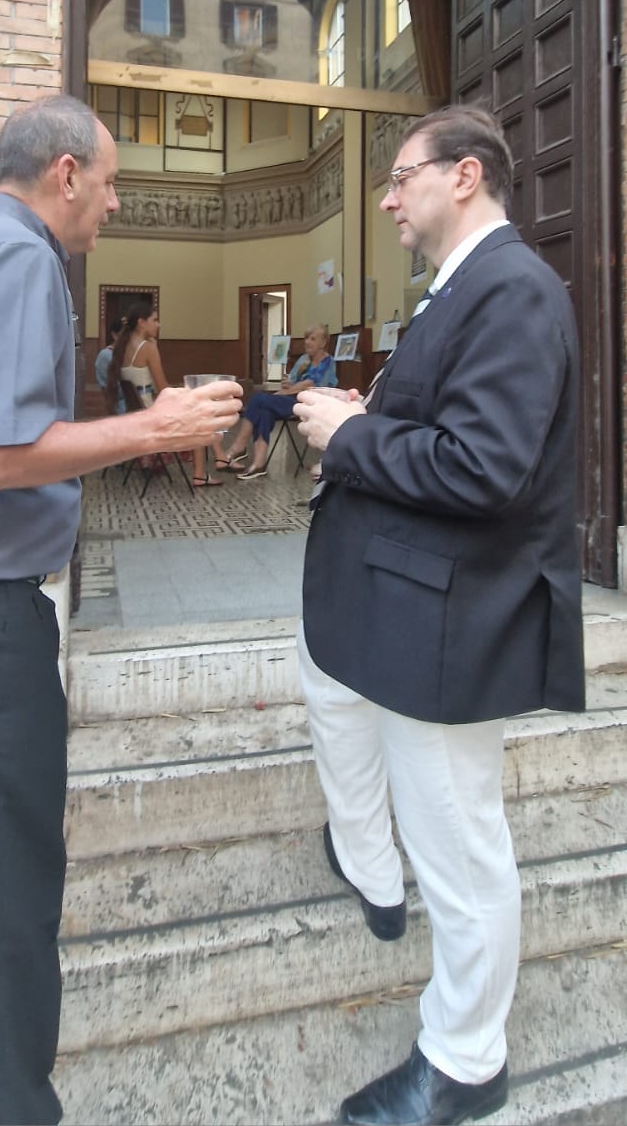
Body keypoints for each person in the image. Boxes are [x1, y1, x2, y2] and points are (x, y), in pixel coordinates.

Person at [0, 94, 242, 1126]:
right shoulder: (25, 260)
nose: (114, 203)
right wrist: (148, 428)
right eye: (110, 181)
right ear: (64, 174)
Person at [294, 105, 582, 1126]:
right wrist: (374, 419)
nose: (386, 198)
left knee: (460, 851)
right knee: (336, 705)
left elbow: (484, 467)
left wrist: (349, 434)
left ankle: (466, 1059)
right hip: (408, 608)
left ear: (463, 176)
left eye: (401, 178)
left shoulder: (510, 289)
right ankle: (368, 862)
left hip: (454, 621)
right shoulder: (466, 288)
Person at [105, 303, 228, 486]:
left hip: (137, 411)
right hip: (153, 414)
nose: (158, 324)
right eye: (154, 320)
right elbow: (163, 389)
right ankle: (202, 472)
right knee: (201, 416)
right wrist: (187, 391)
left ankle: (220, 457)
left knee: (198, 407)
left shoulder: (121, 347)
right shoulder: (147, 348)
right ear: (141, 323)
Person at [220, 323, 337, 479]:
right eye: (306, 338)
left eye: (313, 339)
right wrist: (288, 384)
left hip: (309, 405)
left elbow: (309, 385)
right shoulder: (303, 360)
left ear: (323, 342)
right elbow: (293, 382)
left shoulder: (328, 362)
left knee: (258, 398)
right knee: (263, 410)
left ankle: (239, 446)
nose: (307, 342)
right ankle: (259, 463)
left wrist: (286, 391)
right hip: (291, 399)